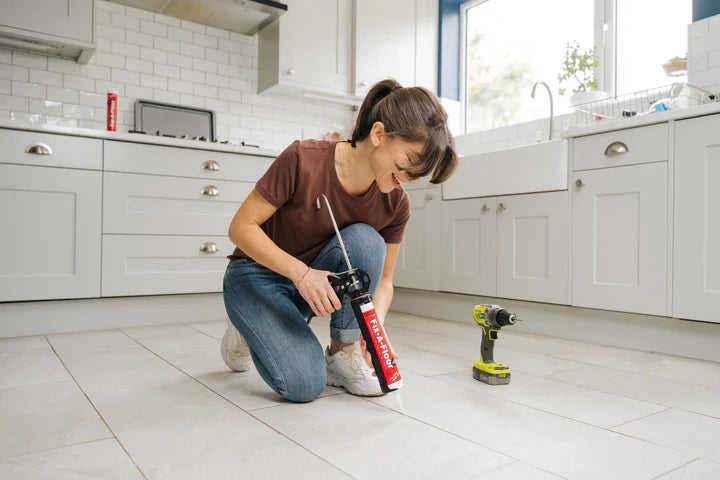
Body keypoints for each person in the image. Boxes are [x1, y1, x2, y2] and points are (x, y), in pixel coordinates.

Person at [221, 78, 458, 403]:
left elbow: (385, 281)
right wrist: (301, 274)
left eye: (417, 174)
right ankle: (248, 325)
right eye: (407, 165)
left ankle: (342, 353)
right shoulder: (303, 158)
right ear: (378, 135)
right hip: (256, 275)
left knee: (366, 241)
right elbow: (240, 227)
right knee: (303, 385)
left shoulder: (396, 203)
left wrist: (374, 333)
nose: (408, 179)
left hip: (312, 289)